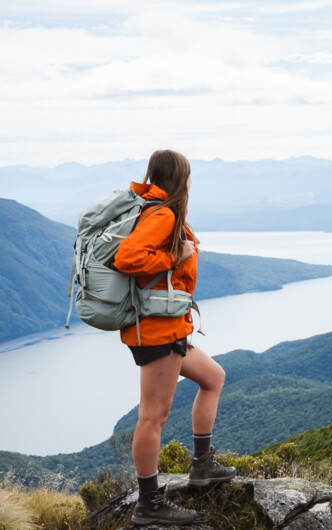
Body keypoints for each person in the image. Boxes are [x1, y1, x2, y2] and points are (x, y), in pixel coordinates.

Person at [114, 149, 235, 526]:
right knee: (153, 417)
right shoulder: (163, 214)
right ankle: (148, 504)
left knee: (213, 377)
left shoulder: (162, 210)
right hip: (157, 333)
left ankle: (202, 466)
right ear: (180, 179)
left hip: (172, 327)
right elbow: (126, 257)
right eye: (189, 176)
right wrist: (173, 256)